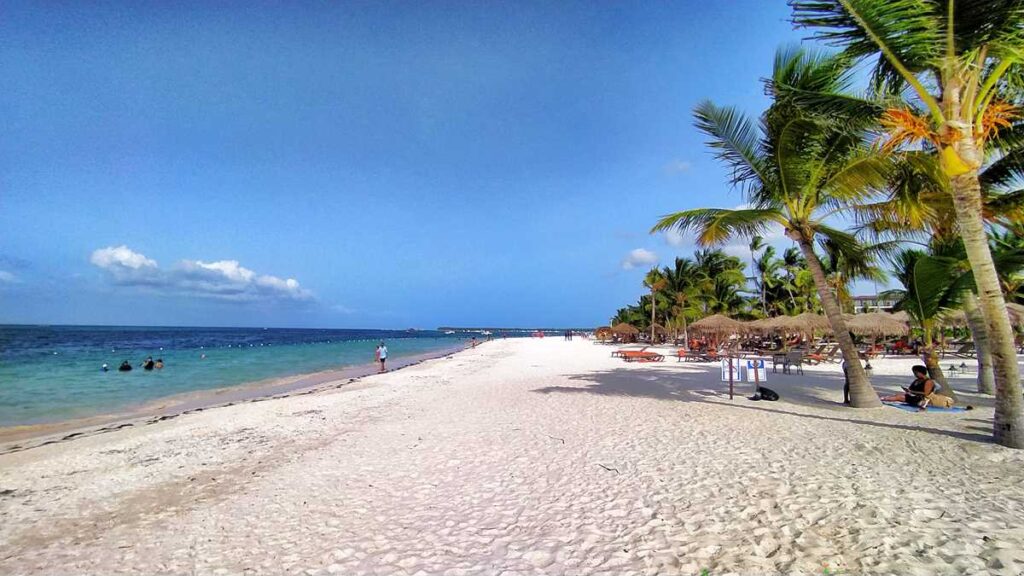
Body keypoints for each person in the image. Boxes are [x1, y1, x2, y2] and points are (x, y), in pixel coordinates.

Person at [882, 365, 954, 411]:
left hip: (923, 399)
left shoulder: (928, 382)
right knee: (898, 395)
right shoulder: (917, 380)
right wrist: (908, 391)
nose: (915, 374)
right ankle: (883, 399)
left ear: (920, 372)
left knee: (899, 397)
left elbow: (926, 394)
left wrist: (912, 392)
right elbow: (911, 389)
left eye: (916, 373)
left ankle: (882, 399)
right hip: (915, 397)